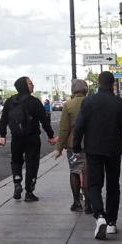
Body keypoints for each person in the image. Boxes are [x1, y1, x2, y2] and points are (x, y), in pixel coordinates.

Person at [72, 71, 122, 239]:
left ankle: (99, 216)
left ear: (98, 83)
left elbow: (79, 126)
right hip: (113, 149)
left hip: (93, 149)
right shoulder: (121, 103)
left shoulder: (88, 102)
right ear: (113, 84)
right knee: (113, 185)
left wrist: (76, 146)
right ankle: (111, 222)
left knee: (95, 184)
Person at [0, 76, 55, 201]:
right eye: (30, 83)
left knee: (16, 160)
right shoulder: (34, 101)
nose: (33, 85)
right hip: (32, 137)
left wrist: (2, 135)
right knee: (32, 163)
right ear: (24, 86)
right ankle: (29, 192)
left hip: (16, 138)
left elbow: (4, 120)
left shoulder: (10, 101)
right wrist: (51, 136)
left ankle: (17, 181)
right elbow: (44, 121)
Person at [53, 78, 89, 212]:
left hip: (73, 145)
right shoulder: (91, 102)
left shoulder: (68, 105)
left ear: (73, 90)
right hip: (90, 143)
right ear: (86, 89)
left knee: (74, 171)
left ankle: (76, 202)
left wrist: (59, 148)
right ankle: (89, 203)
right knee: (87, 173)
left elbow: (64, 129)